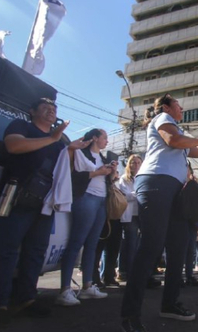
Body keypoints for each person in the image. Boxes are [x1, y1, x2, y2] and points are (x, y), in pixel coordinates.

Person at [120, 93, 198, 332]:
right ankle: (129, 315)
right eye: (178, 104)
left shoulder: (178, 130)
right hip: (156, 183)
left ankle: (169, 304)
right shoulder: (163, 118)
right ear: (166, 106)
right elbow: (173, 140)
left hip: (175, 189)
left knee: (178, 247)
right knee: (151, 246)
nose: (182, 107)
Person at [0, 98, 86, 324]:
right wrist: (51, 138)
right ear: (32, 111)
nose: (52, 110)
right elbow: (14, 145)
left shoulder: (59, 142)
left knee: (35, 251)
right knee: (6, 250)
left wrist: (69, 150)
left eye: (55, 108)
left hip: (44, 202)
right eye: (46, 107)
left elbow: (65, 172)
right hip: (16, 195)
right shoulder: (22, 127)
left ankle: (27, 298)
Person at [56, 129, 116, 306]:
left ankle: (87, 286)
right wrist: (97, 173)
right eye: (105, 137)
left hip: (101, 200)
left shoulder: (103, 159)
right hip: (85, 198)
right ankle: (64, 289)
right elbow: (71, 176)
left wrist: (111, 173)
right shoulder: (80, 153)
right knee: (76, 242)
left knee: (92, 244)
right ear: (95, 138)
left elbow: (108, 181)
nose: (107, 141)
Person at [117, 154, 143, 283]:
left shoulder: (142, 177)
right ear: (129, 164)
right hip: (130, 215)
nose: (136, 165)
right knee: (129, 244)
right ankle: (125, 271)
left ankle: (130, 270)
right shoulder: (124, 179)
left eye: (138, 162)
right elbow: (125, 196)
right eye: (133, 162)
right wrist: (139, 193)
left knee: (137, 244)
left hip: (141, 214)